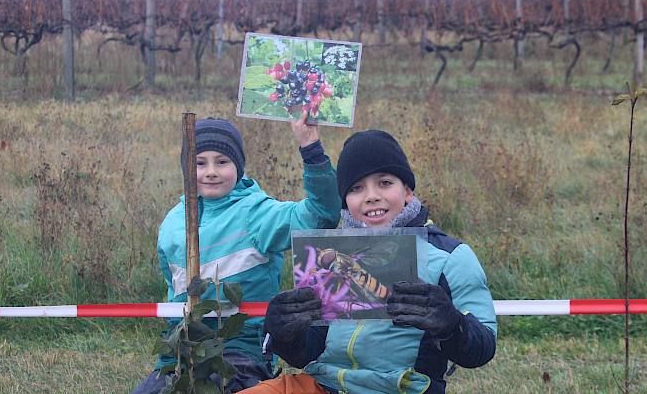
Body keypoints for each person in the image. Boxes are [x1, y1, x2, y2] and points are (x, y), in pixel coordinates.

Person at [242, 130, 497, 394]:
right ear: (345, 201)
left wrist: (452, 326)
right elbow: (310, 353)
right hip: (324, 385)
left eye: (385, 183)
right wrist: (285, 334)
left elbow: (483, 348)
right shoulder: (329, 254)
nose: (371, 196)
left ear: (407, 190)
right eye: (356, 188)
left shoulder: (450, 255)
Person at [132, 114, 341, 393]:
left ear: (238, 166)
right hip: (182, 350)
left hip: (241, 350)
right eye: (199, 162)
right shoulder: (172, 223)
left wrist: (310, 148)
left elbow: (321, 215)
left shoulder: (257, 214)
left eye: (222, 162)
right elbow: (174, 292)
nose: (211, 172)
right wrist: (175, 348)